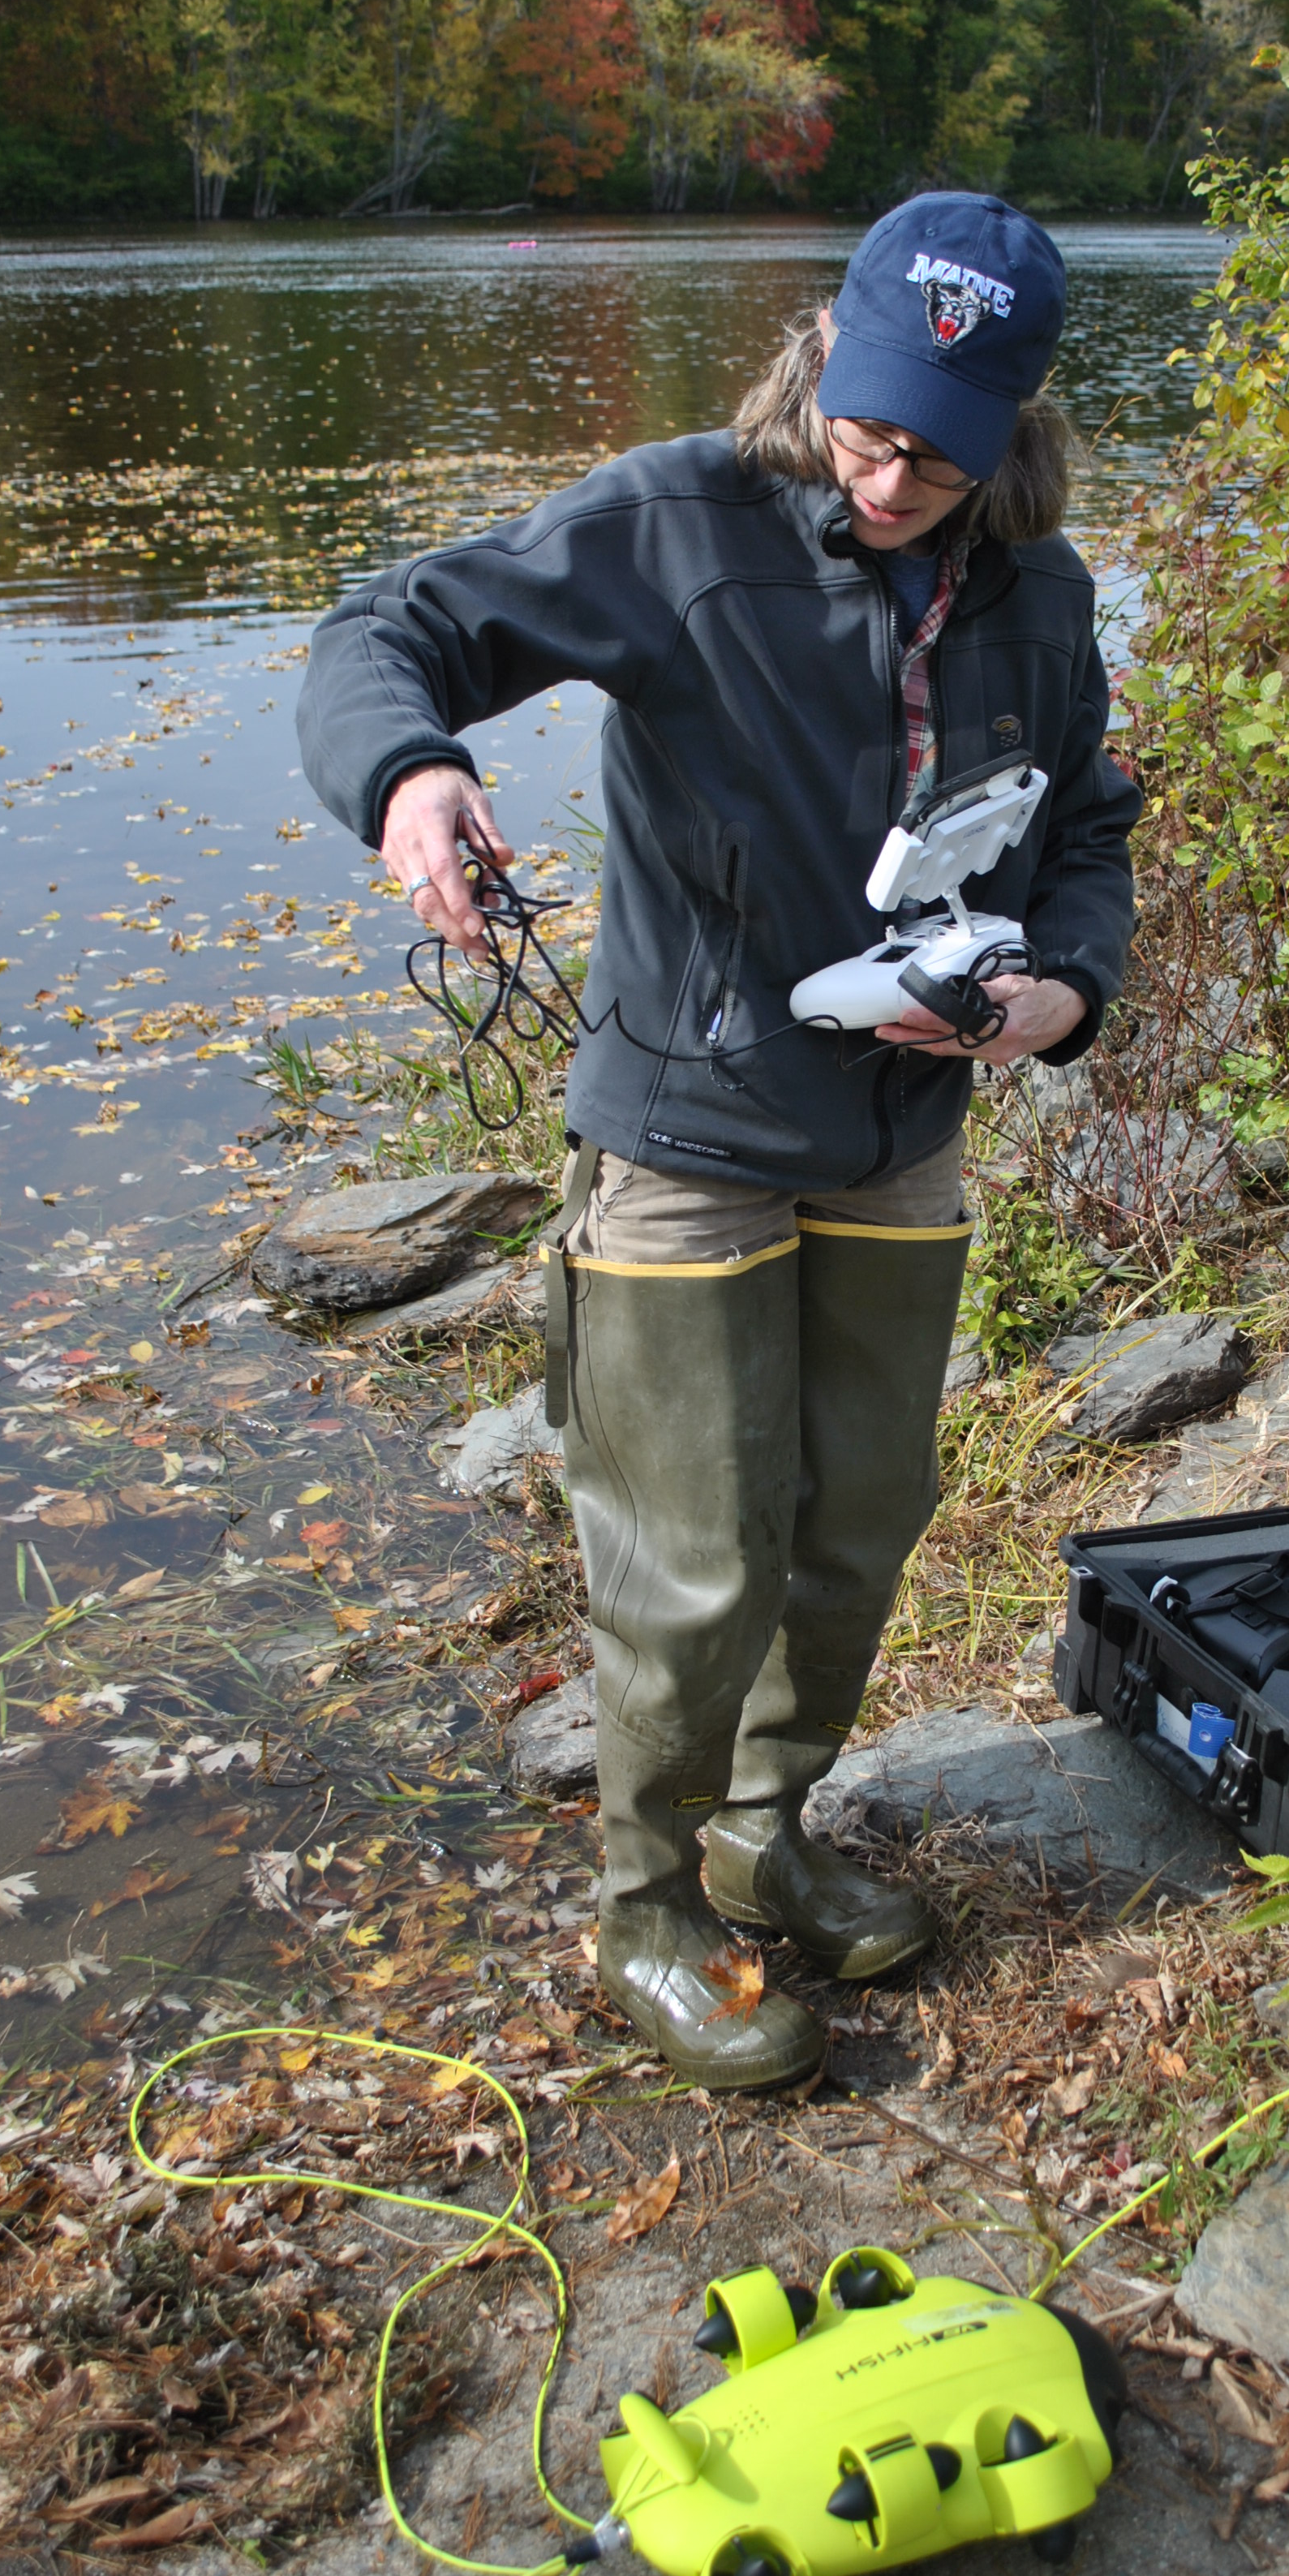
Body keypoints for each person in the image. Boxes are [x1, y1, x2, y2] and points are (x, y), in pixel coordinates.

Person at [298, 192, 1140, 2089]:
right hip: (685, 1120)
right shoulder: (681, 520)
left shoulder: (1043, 592)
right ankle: (648, 1907)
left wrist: (1061, 996)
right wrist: (410, 772)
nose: (890, 473)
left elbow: (1087, 821)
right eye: (869, 420)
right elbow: (392, 626)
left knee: (857, 1520)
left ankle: (767, 1833)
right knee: (694, 1551)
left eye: (940, 447)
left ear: (1015, 429)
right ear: (822, 353)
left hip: (903, 1122)